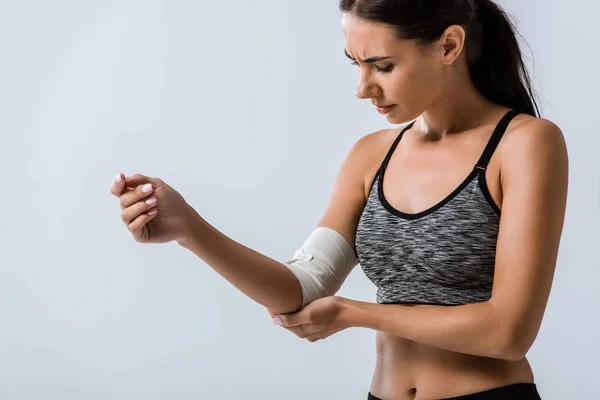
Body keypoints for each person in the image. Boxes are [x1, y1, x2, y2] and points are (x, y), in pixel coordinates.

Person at [110, 0, 568, 398]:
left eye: (383, 66)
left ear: (449, 46)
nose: (362, 87)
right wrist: (189, 229)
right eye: (356, 63)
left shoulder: (524, 144)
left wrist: (355, 313)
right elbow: (303, 287)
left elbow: (508, 332)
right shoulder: (371, 155)